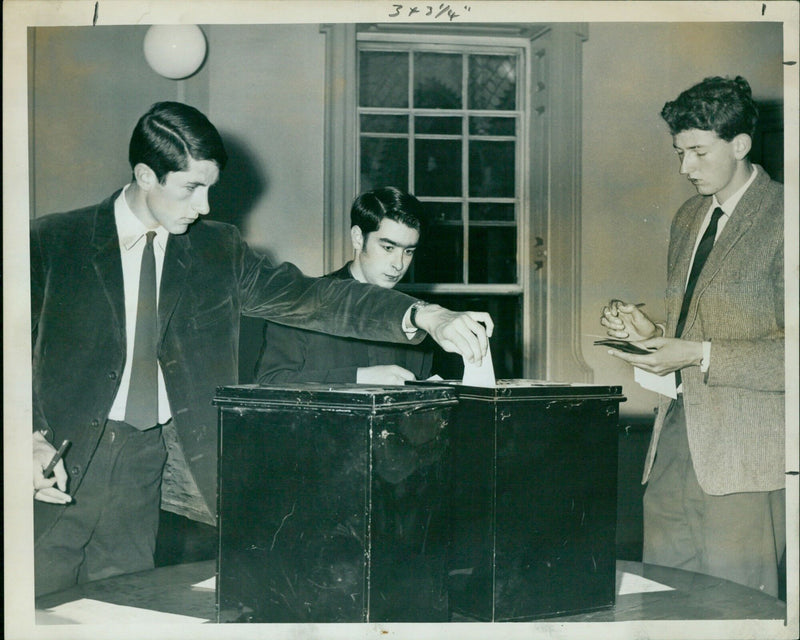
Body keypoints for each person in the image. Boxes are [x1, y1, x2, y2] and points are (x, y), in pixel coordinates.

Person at [31, 101, 493, 596]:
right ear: (146, 175)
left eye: (211, 188)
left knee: (126, 604)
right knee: (36, 603)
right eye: (192, 187)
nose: (206, 206)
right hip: (54, 458)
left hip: (146, 463)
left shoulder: (217, 249)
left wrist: (422, 314)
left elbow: (312, 297)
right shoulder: (56, 241)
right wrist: (25, 436)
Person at [600, 76, 785, 596]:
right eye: (679, 152)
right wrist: (649, 331)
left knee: (737, 606)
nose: (685, 168)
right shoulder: (688, 218)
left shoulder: (785, 217)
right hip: (673, 441)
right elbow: (693, 323)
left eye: (699, 152)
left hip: (745, 457)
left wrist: (699, 355)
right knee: (665, 598)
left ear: (741, 145)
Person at [255, 187, 433, 386]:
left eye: (408, 251)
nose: (399, 264)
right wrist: (359, 377)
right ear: (358, 238)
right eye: (388, 248)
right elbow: (270, 382)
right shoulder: (298, 303)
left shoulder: (414, 321)